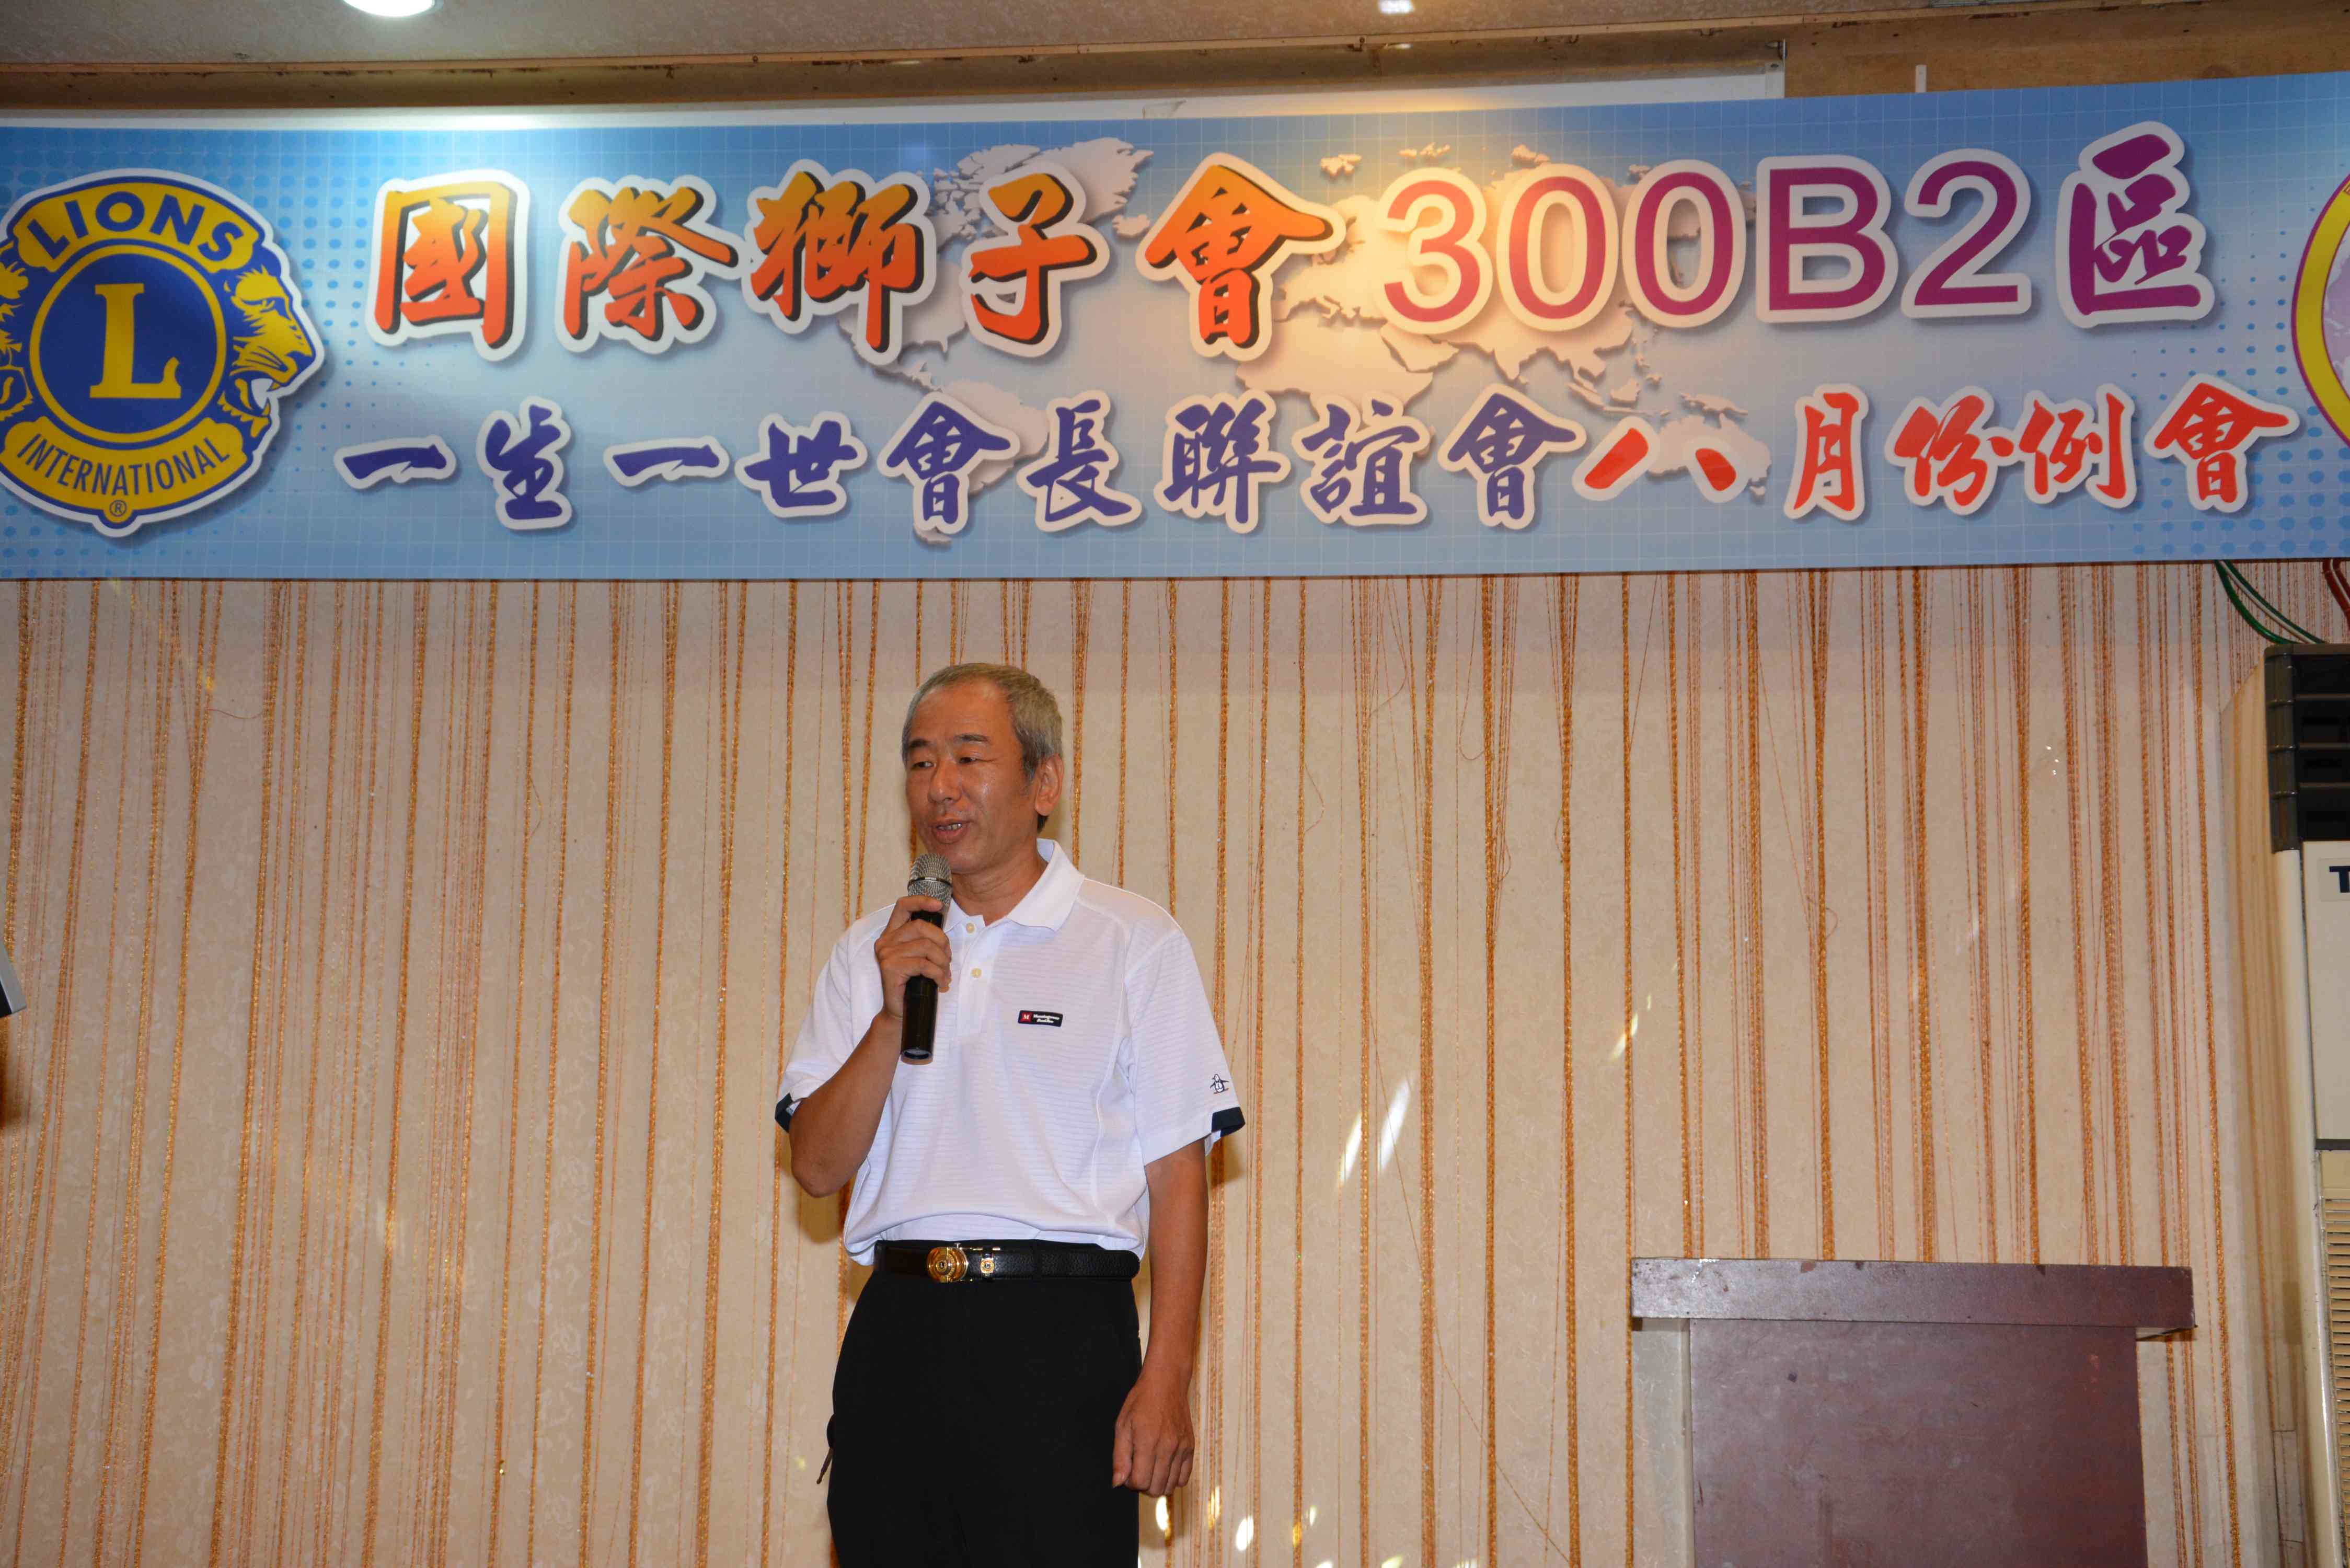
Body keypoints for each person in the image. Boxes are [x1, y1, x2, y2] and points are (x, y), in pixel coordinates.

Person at [777, 662, 1245, 1565]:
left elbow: (1178, 1177)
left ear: (1044, 782)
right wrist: (889, 1016)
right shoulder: (871, 950)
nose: (939, 787)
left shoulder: (1132, 940)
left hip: (1061, 1339)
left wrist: (1169, 1377)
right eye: (920, 762)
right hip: (899, 1331)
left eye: (968, 757)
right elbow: (817, 1167)